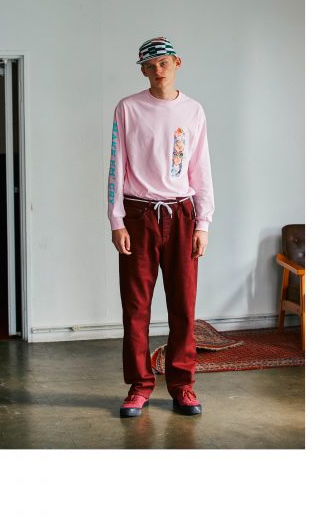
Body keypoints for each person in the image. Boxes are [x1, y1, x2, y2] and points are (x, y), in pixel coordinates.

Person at [107, 36, 215, 417]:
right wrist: (117, 220)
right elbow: (116, 164)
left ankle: (182, 385)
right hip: (138, 216)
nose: (158, 71)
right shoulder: (128, 108)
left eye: (164, 63)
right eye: (150, 66)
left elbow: (201, 168)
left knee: (183, 306)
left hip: (182, 215)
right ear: (142, 70)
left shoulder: (193, 111)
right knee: (136, 307)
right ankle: (139, 386)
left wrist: (203, 222)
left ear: (177, 63)